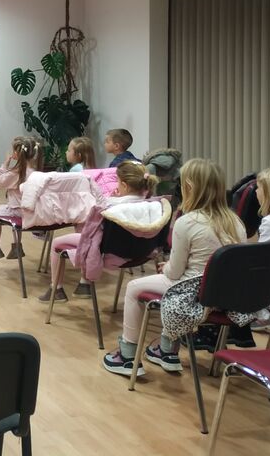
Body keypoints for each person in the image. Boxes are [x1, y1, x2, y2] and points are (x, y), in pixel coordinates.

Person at [102, 158, 245, 377]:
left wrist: (166, 267)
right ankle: (166, 350)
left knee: (133, 288)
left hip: (192, 290)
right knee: (171, 283)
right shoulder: (236, 222)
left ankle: (127, 355)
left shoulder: (187, 222)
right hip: (225, 293)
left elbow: (175, 273)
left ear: (188, 187)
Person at [39, 161, 157, 303]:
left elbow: (91, 233)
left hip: (111, 254)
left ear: (124, 185)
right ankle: (84, 284)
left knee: (57, 242)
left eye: (118, 182)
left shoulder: (110, 207)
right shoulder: (154, 205)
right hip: (141, 253)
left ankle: (56, 289)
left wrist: (111, 199)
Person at [0, 136, 42, 262]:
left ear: (17, 153)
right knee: (10, 215)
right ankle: (17, 246)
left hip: (18, 210)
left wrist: (5, 164)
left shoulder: (16, 173)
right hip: (34, 211)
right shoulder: (35, 172)